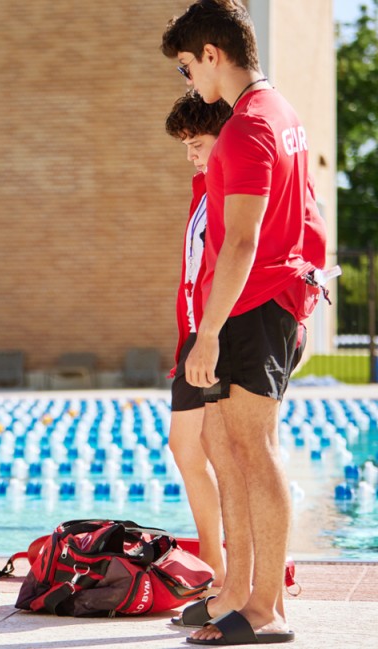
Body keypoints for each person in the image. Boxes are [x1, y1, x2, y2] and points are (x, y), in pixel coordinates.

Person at [162, 0, 317, 644]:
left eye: (186, 67)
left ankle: (266, 608)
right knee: (224, 449)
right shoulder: (276, 113)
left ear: (212, 55)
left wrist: (208, 330)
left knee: (252, 451)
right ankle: (235, 592)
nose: (188, 81)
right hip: (252, 306)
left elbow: (243, 241)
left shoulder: (252, 125)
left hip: (255, 306)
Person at [163, 91, 232, 587]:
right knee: (187, 445)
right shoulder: (204, 189)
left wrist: (209, 334)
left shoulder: (233, 193)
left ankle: (226, 564)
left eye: (198, 141)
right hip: (197, 336)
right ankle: (216, 558)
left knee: (220, 449)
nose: (189, 151)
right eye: (185, 142)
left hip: (223, 333)